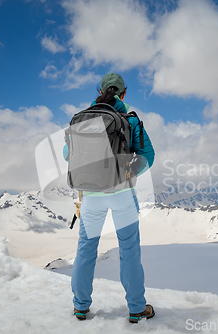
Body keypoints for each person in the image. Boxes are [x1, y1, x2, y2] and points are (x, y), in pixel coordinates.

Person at [68, 73, 155, 323]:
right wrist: (127, 172)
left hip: (91, 195)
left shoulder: (83, 119)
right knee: (129, 251)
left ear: (101, 91)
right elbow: (148, 155)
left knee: (85, 250)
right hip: (122, 194)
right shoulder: (130, 119)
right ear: (123, 94)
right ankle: (137, 309)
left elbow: (67, 153)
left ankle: (80, 307)